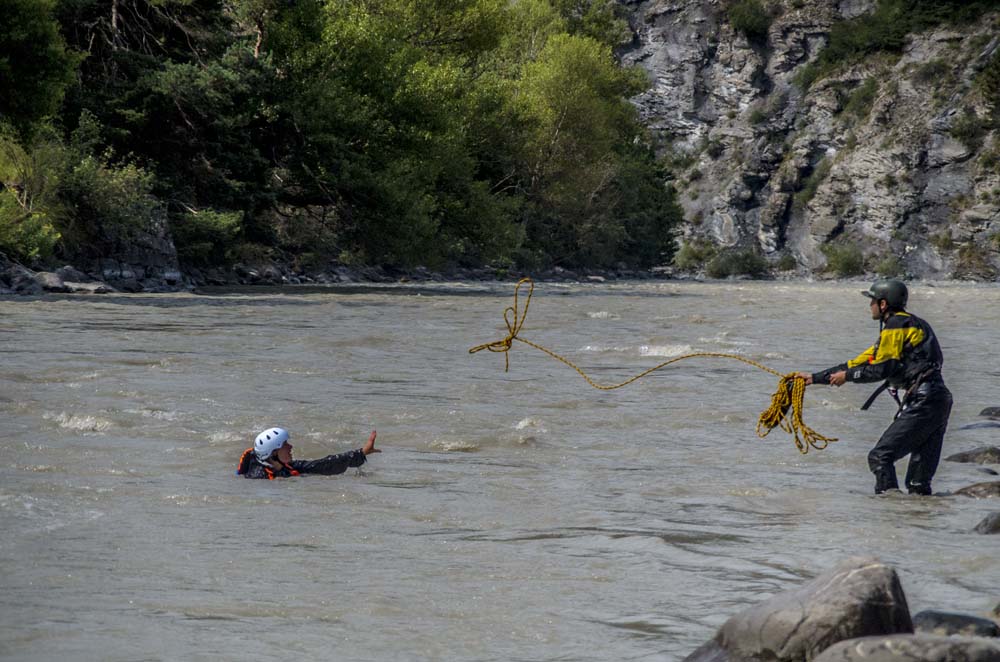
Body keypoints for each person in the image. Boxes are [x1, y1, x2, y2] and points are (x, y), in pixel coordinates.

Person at [796, 279, 952, 495]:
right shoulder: (910, 325)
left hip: (924, 401)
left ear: (883, 304)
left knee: (880, 457)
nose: (869, 305)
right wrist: (814, 378)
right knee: (918, 485)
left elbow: (882, 370)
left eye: (872, 301)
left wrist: (848, 377)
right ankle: (914, 523)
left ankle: (887, 514)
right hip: (938, 400)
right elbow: (857, 363)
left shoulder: (896, 325)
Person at [236, 426, 380, 479]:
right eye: (285, 445)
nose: (291, 447)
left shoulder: (286, 467)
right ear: (274, 454)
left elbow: (323, 464)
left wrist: (361, 453)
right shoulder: (259, 478)